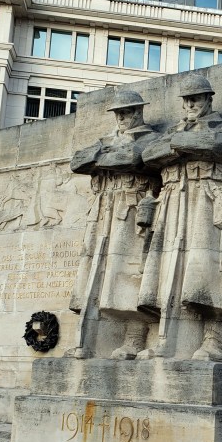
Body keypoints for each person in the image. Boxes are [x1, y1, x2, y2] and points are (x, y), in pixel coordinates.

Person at [137, 75, 222, 362]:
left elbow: (216, 144)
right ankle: (166, 341)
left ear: (208, 99)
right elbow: (148, 155)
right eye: (186, 100)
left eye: (195, 98)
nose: (190, 105)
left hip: (206, 197)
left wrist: (176, 145)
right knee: (168, 272)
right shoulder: (174, 129)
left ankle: (214, 341)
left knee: (210, 273)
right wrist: (183, 143)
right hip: (172, 198)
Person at [66, 90, 161, 359]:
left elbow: (131, 158)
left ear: (138, 112)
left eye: (126, 112)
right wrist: (105, 153)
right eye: (118, 113)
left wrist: (101, 157)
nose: (121, 118)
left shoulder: (151, 138)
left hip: (131, 206)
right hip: (103, 207)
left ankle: (135, 338)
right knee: (96, 274)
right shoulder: (107, 140)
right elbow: (77, 161)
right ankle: (91, 341)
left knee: (129, 273)